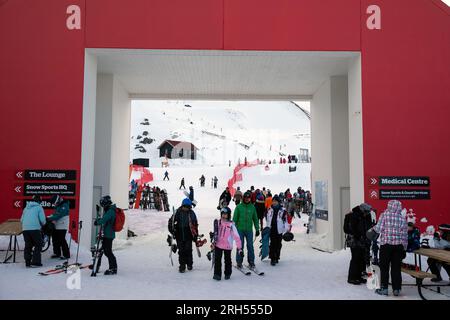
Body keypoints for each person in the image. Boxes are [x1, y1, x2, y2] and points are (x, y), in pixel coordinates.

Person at [372, 200, 408, 296]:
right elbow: (404, 235)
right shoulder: (402, 218)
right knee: (396, 268)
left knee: (384, 267)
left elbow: (378, 228)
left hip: (386, 245)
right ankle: (396, 289)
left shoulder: (384, 215)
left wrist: (372, 229)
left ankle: (384, 289)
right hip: (398, 246)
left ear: (389, 206)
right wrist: (404, 248)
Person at [343, 203, 372, 285]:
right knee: (355, 258)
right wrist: (359, 236)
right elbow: (352, 229)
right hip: (354, 240)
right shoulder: (354, 216)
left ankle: (359, 276)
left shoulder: (366, 215)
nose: (368, 213)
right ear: (362, 210)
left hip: (363, 239)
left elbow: (367, 226)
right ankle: (352, 278)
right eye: (366, 211)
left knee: (362, 258)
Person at [212, 207, 243, 281]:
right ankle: (217, 274)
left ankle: (227, 273)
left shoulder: (231, 225)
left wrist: (240, 248)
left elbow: (237, 237)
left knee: (228, 260)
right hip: (218, 245)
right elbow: (216, 233)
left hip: (227, 246)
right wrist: (213, 238)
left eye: (225, 214)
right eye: (222, 214)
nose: (224, 216)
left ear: (228, 215)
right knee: (217, 260)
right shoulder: (219, 223)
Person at [170, 198, 198, 273]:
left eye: (187, 207)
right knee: (181, 250)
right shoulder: (178, 212)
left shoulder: (191, 213)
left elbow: (195, 224)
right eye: (184, 207)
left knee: (188, 250)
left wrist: (195, 235)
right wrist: (172, 229)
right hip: (179, 234)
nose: (185, 208)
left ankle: (189, 263)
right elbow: (171, 221)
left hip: (188, 234)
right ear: (182, 206)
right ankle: (182, 265)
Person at [232, 191, 259, 268]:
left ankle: (251, 261)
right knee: (240, 246)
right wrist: (233, 229)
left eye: (248, 198)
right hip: (240, 230)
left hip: (249, 230)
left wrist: (257, 229)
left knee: (250, 246)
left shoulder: (252, 207)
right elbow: (234, 219)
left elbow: (255, 219)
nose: (247, 199)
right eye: (246, 198)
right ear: (243, 198)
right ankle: (239, 261)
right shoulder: (239, 207)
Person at [94, 195, 118, 275]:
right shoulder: (108, 209)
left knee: (108, 252)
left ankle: (113, 268)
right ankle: (96, 266)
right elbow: (104, 218)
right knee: (101, 251)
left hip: (109, 234)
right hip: (107, 234)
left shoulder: (110, 211)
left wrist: (98, 222)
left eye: (103, 203)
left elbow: (105, 219)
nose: (102, 205)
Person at [21, 195, 46, 267]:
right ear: (39, 201)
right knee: (38, 244)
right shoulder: (39, 207)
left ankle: (27, 262)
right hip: (35, 229)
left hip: (25, 229)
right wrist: (42, 224)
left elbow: (21, 220)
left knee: (28, 245)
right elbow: (43, 220)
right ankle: (36, 262)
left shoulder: (26, 208)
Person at [265, 195, 289, 266]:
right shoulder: (269, 209)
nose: (274, 202)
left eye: (276, 201)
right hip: (272, 229)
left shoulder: (283, 211)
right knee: (272, 243)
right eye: (273, 201)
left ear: (278, 202)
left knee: (278, 244)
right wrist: (267, 227)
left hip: (279, 230)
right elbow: (268, 219)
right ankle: (272, 258)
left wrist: (286, 229)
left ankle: (277, 256)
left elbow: (286, 221)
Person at [47, 195, 70, 259]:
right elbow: (55, 214)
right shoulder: (58, 205)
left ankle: (66, 254)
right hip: (56, 224)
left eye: (55, 203)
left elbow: (59, 215)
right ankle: (57, 253)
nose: (55, 204)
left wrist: (50, 218)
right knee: (55, 239)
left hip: (63, 225)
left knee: (61, 239)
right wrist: (50, 217)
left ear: (58, 200)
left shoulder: (65, 205)